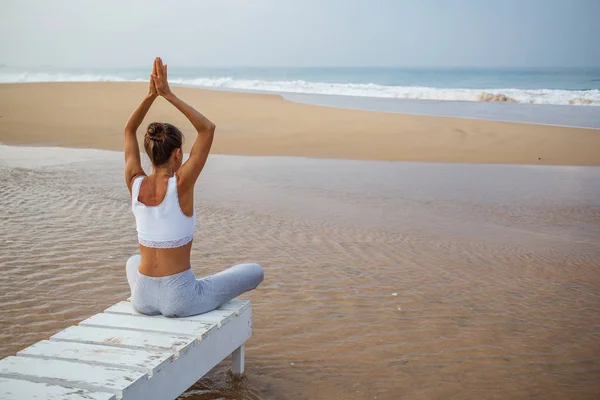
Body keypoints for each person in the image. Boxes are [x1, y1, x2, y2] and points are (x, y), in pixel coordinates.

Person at [123, 57, 263, 317]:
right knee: (255, 271)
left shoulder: (135, 182)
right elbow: (207, 129)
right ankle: (193, 288)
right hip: (180, 299)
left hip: (141, 298)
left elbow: (129, 129)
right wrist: (167, 94)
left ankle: (150, 292)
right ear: (177, 155)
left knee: (134, 261)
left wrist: (150, 96)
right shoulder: (181, 183)